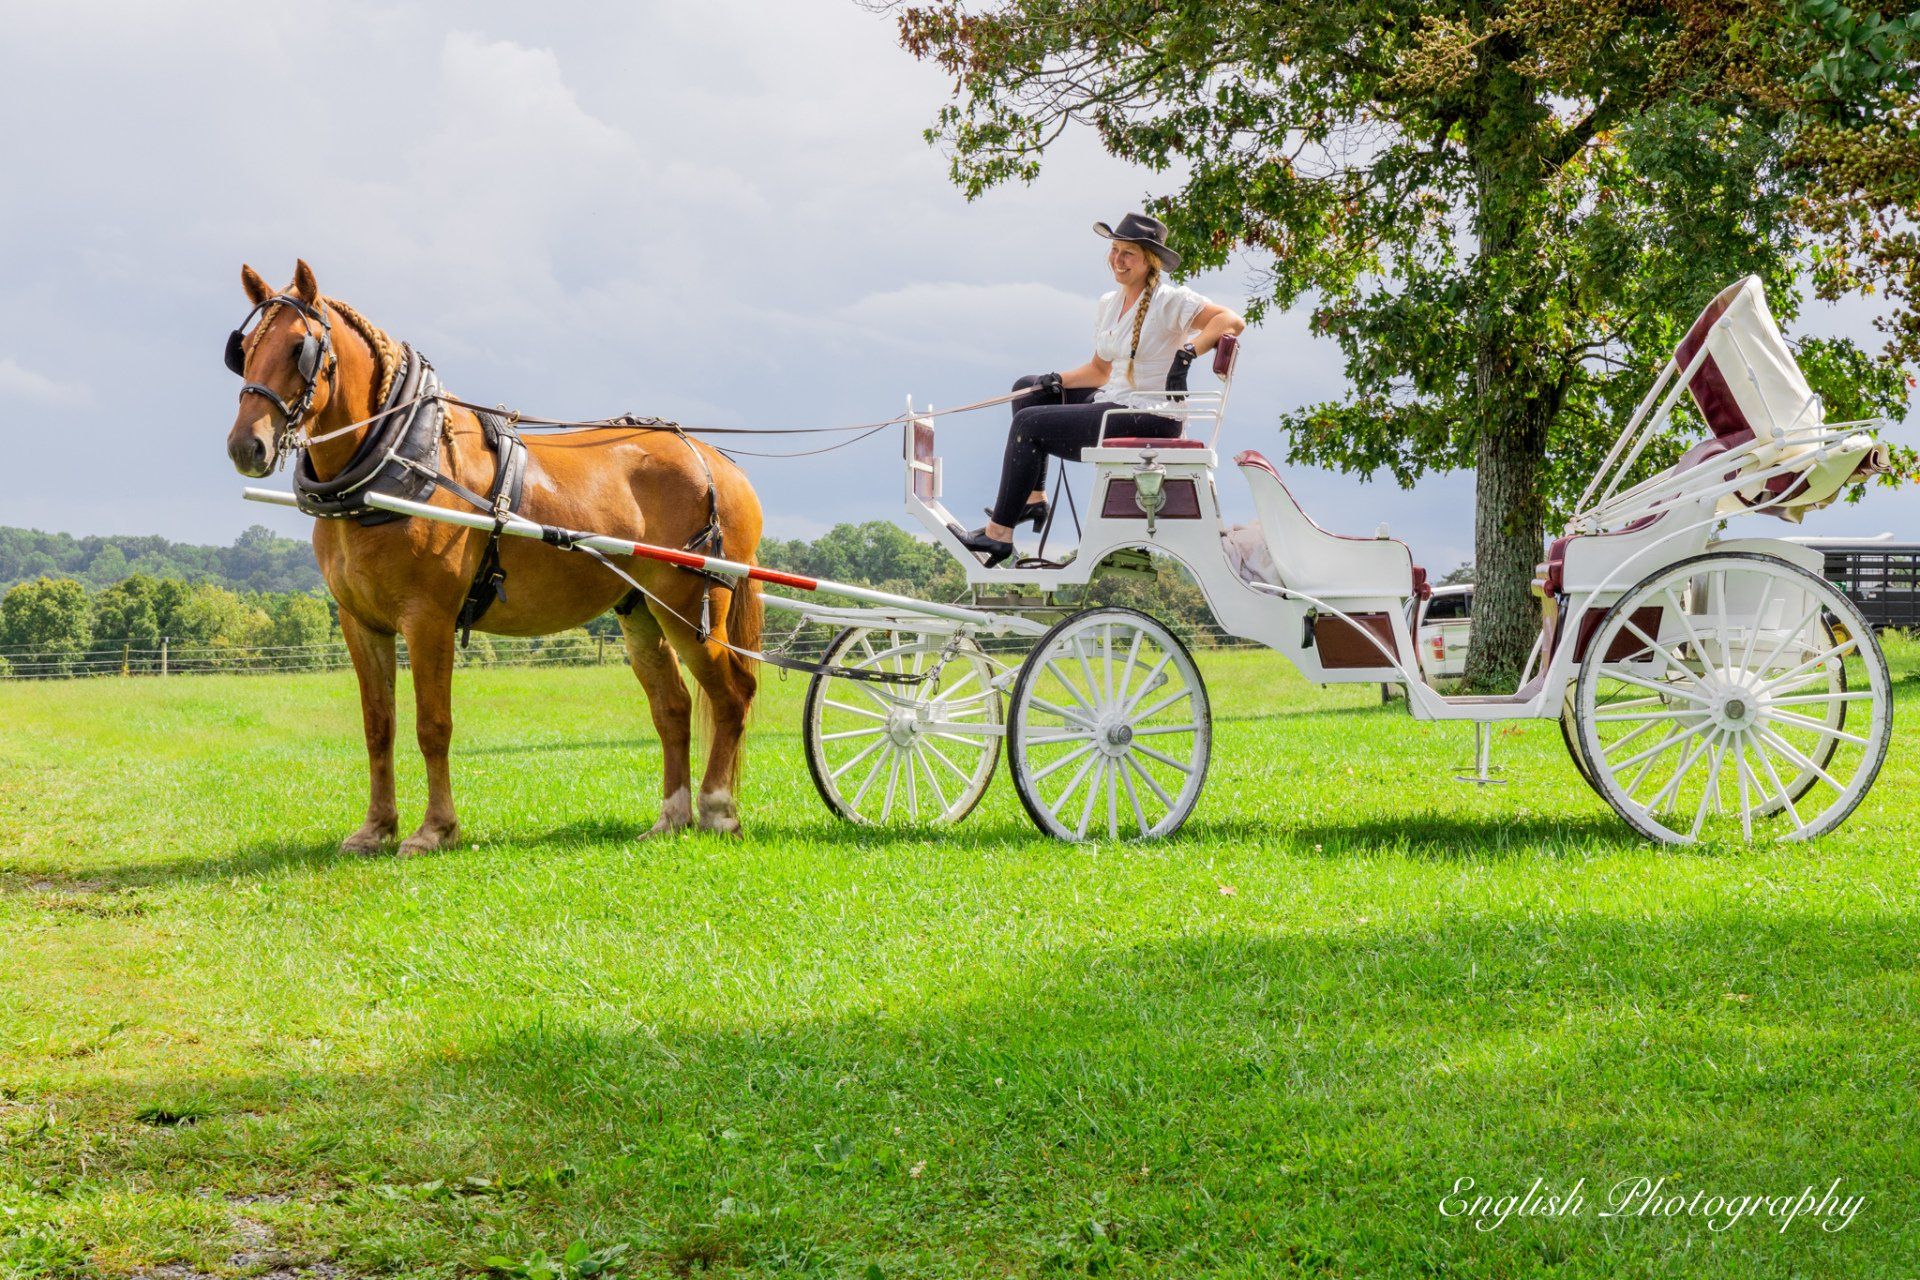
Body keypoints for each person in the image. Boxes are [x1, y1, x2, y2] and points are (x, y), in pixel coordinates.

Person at [951, 212, 1247, 566]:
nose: (1117, 260)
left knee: (1028, 425)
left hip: (1150, 415)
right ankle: (1033, 501)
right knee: (1028, 390)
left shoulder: (1171, 300)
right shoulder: (1110, 304)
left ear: (1149, 262)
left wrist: (1188, 353)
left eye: (1128, 254)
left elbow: (1231, 320)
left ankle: (999, 535)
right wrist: (1053, 379)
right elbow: (1098, 371)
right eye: (1114, 250)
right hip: (1116, 401)